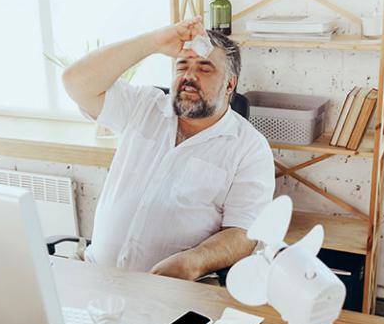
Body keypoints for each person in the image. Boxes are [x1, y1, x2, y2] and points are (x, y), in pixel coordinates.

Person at [62, 16, 274, 281]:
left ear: (230, 84)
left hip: (174, 292)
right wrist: (152, 42)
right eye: (182, 66)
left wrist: (195, 261)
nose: (188, 76)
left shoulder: (250, 148)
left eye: (204, 68)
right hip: (98, 278)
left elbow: (243, 233)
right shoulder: (143, 106)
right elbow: (75, 82)